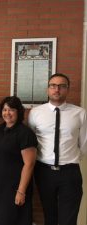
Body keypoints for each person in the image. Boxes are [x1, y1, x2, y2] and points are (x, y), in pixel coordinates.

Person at [28, 73, 87, 225]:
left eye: (62, 86)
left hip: (70, 173)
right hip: (44, 172)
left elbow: (84, 144)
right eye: (53, 85)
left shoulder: (80, 113)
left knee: (68, 219)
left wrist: (70, 159)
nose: (57, 89)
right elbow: (32, 143)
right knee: (50, 216)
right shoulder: (35, 113)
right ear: (48, 89)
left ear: (68, 89)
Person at [0, 96, 37, 225]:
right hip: (0, 186)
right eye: (5, 110)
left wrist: (21, 191)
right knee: (0, 220)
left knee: (14, 220)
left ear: (18, 112)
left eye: (11, 110)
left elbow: (29, 164)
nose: (7, 113)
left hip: (15, 187)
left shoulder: (25, 133)